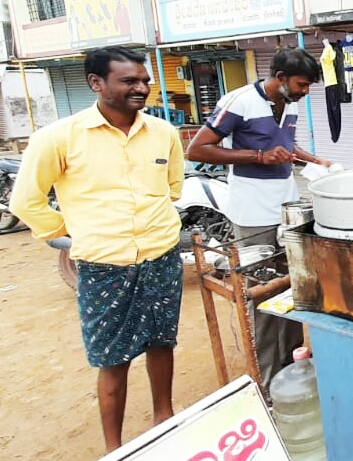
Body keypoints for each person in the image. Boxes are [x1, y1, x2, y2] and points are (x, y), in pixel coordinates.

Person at [9, 46, 185, 452]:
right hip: (105, 266)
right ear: (96, 83)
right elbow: (26, 203)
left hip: (161, 257)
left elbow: (172, 189)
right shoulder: (58, 138)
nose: (141, 88)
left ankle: (165, 417)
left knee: (162, 343)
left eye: (144, 80)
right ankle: (115, 447)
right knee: (113, 358)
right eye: (129, 81)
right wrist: (74, 230)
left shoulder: (164, 133)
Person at [185, 48, 330, 392]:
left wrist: (315, 160)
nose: (305, 91)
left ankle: (293, 365)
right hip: (252, 213)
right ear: (280, 78)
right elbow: (197, 149)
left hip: (286, 208)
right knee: (262, 295)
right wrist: (258, 156)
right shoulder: (238, 102)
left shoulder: (289, 104)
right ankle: (269, 379)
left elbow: (287, 146)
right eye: (301, 84)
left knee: (291, 288)